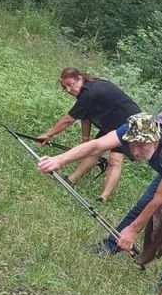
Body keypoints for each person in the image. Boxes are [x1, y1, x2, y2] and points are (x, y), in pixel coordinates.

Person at [37, 112, 162, 284]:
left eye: (142, 146)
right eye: (132, 145)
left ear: (155, 139)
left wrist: (133, 230)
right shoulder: (134, 129)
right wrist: (59, 160)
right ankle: (112, 245)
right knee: (142, 205)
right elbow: (97, 145)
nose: (135, 151)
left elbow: (159, 200)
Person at [36, 69, 141, 201]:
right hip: (112, 121)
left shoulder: (91, 92)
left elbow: (69, 119)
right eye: (65, 87)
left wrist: (48, 135)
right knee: (93, 149)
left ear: (80, 78)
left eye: (70, 84)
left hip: (130, 121)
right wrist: (85, 141)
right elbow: (85, 117)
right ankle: (71, 180)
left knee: (115, 159)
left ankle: (103, 197)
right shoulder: (86, 91)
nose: (68, 90)